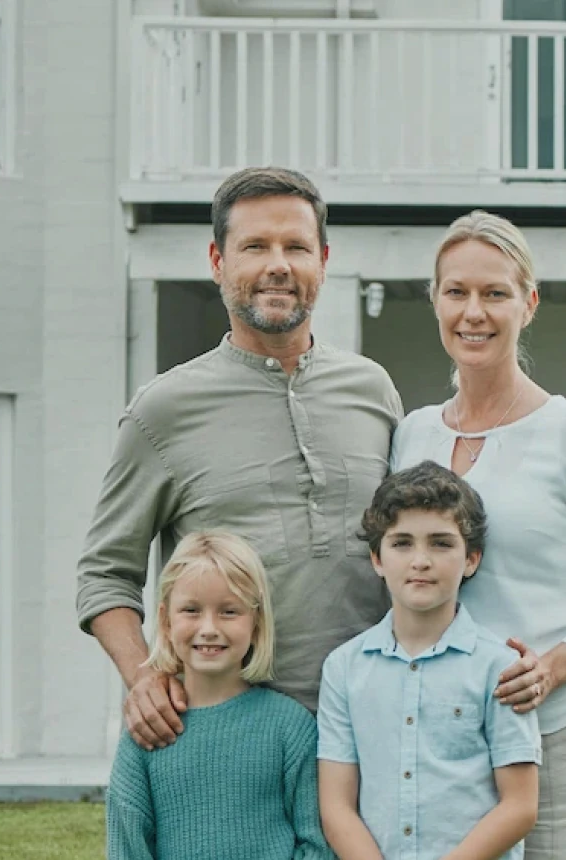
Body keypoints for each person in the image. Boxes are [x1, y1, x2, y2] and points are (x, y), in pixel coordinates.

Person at [77, 167, 401, 749]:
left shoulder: (372, 391)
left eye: (296, 247)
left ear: (322, 261)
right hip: (230, 736)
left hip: (372, 727)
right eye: (254, 246)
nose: (278, 264)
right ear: (218, 261)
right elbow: (104, 574)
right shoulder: (163, 410)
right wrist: (143, 675)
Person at [390, 210, 566, 858]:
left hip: (559, 731)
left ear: (527, 303)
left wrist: (550, 670)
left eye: (494, 293)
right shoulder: (411, 434)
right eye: (457, 292)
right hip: (443, 737)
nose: (473, 312)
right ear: (435, 301)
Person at [317, 462, 541, 860]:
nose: (420, 560)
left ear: (471, 559)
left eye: (440, 543)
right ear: (377, 559)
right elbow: (336, 806)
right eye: (402, 543)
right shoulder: (343, 668)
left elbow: (520, 806)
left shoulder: (501, 668)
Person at [105, 530, 332, 860]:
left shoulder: (289, 726)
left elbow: (316, 844)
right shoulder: (147, 732)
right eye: (192, 611)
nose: (209, 628)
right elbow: (128, 847)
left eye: (229, 611)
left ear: (255, 623)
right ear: (166, 622)